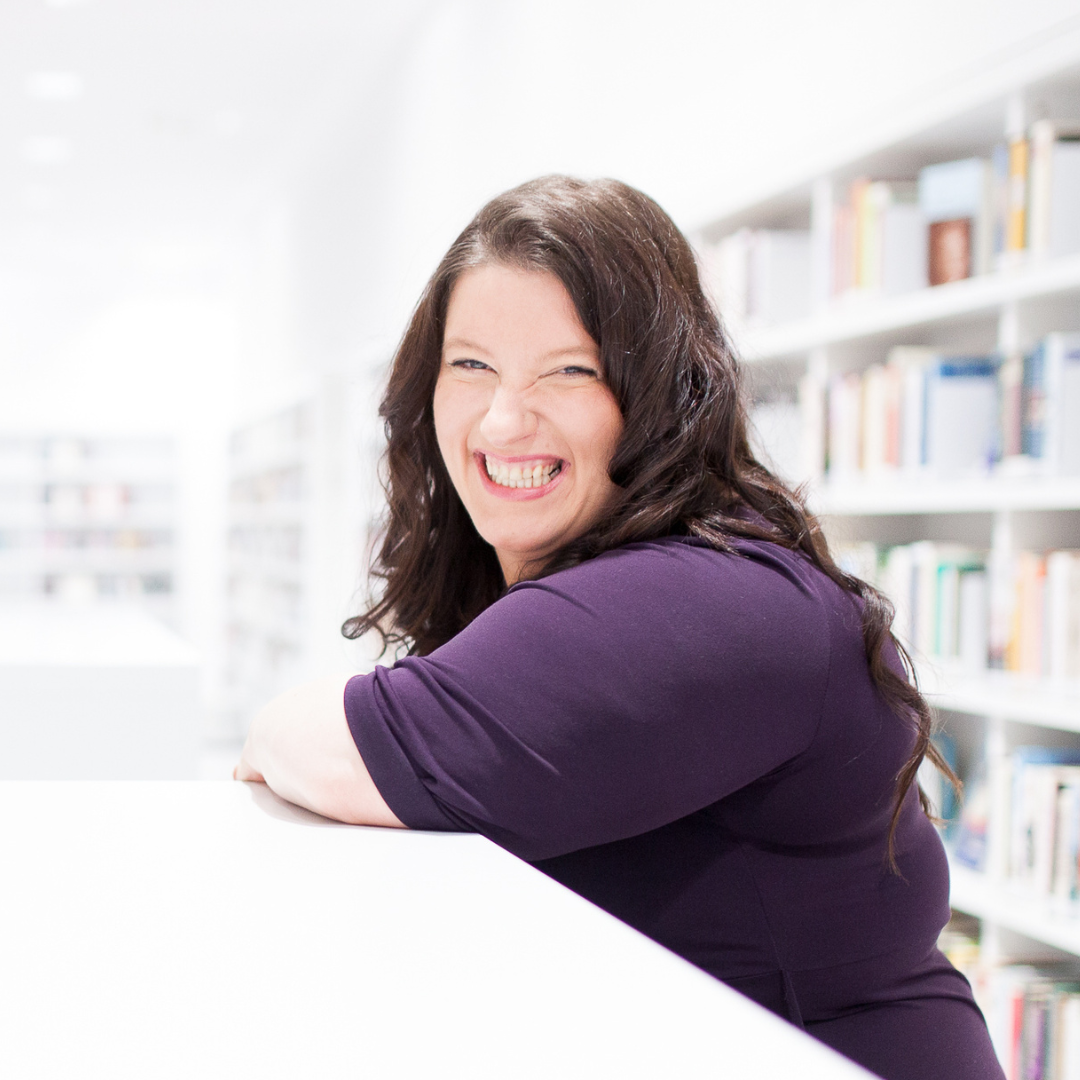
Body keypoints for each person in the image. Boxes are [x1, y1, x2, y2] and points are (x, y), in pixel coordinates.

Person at [235, 176, 1004, 1080]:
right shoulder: (593, 578)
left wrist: (275, 728)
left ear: (665, 389)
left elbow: (345, 746)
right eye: (471, 366)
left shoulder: (711, 602)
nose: (504, 419)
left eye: (570, 370)